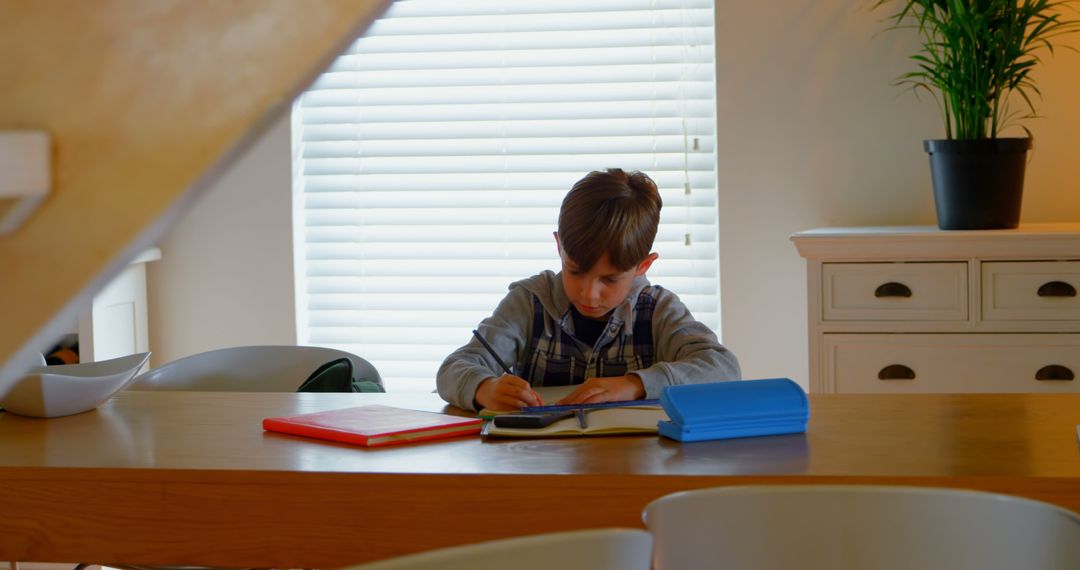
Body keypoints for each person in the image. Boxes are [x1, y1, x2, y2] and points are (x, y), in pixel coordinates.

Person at [436, 168, 740, 411]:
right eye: (576, 271)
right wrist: (483, 388)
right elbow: (452, 369)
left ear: (643, 266)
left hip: (634, 467)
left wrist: (634, 384)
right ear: (559, 246)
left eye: (609, 279)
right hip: (537, 465)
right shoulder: (529, 302)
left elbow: (724, 369)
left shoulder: (658, 308)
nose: (588, 294)